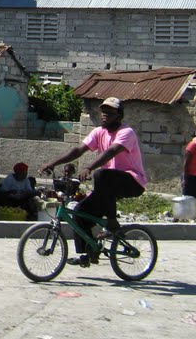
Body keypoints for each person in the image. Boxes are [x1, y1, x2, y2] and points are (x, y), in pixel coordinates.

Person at [40, 97, 147, 267]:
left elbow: (111, 152)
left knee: (102, 175)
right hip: (109, 184)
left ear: (119, 115)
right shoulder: (99, 132)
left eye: (110, 112)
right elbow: (78, 151)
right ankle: (88, 254)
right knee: (79, 214)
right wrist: (52, 163)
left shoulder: (126, 132)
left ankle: (112, 222)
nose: (105, 115)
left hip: (132, 181)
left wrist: (89, 168)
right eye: (103, 112)